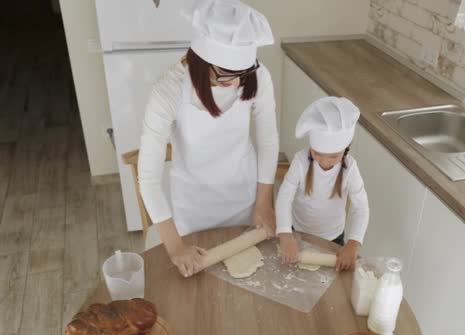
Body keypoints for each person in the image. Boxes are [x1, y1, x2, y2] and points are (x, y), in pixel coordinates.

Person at [138, 0, 278, 278]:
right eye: (226, 74)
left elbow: (268, 142)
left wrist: (263, 202)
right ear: (200, 60)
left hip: (244, 199)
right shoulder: (168, 91)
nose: (237, 83)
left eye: (243, 73)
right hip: (194, 210)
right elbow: (148, 179)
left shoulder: (258, 76)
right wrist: (176, 246)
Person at [275, 97, 370, 271]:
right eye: (318, 153)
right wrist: (285, 234)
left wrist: (354, 243)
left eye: (333, 156)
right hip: (298, 231)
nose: (325, 161)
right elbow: (284, 197)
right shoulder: (300, 162)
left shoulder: (350, 169)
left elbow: (361, 208)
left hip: (332, 238)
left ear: (346, 149)